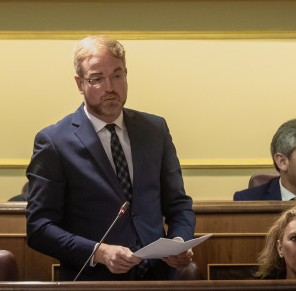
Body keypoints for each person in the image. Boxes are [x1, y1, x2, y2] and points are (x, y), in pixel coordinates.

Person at [25, 35, 196, 281]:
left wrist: (179, 241)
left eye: (117, 75)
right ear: (79, 83)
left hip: (157, 279)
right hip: (94, 282)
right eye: (97, 78)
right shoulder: (54, 141)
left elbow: (179, 206)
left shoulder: (155, 129)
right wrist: (99, 252)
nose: (110, 87)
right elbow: (39, 228)